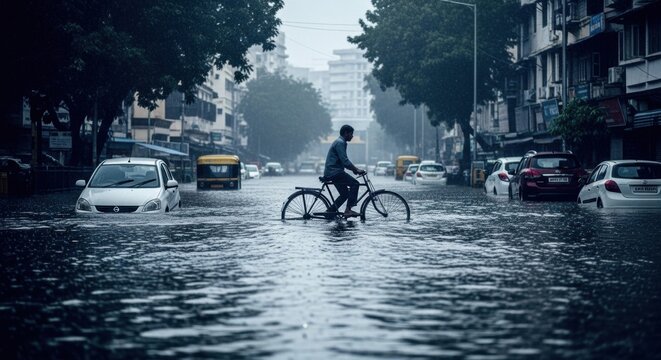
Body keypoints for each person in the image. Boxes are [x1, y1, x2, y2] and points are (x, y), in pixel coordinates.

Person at [323, 125, 366, 217]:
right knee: (355, 184)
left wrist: (354, 170)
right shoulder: (340, 143)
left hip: (333, 172)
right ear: (346, 133)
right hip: (335, 172)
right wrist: (356, 169)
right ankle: (348, 210)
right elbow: (345, 160)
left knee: (345, 194)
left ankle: (330, 212)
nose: (352, 136)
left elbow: (343, 161)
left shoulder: (340, 142)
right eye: (351, 134)